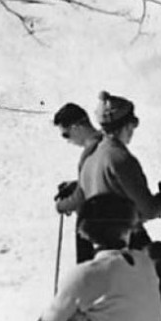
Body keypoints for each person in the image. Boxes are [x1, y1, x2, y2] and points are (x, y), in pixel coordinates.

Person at [34, 193, 161, 321]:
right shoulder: (146, 262)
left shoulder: (85, 274)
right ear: (130, 228)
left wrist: (71, 318)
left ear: (85, 231)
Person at [76, 92, 161, 255]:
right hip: (128, 245)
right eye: (132, 126)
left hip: (100, 250)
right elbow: (148, 209)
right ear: (126, 126)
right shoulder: (120, 158)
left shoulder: (90, 161)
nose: (132, 131)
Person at [52, 103, 105, 262]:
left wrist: (62, 206)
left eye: (66, 135)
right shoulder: (105, 141)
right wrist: (76, 184)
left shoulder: (91, 150)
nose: (68, 141)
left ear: (76, 128)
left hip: (99, 226)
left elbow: (82, 195)